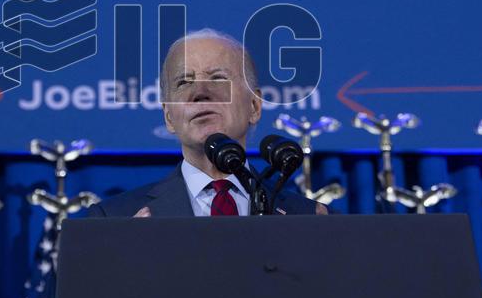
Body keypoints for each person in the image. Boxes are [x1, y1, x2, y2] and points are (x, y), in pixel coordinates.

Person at [88, 29, 327, 217]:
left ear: (254, 107)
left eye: (218, 78)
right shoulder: (114, 219)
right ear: (169, 117)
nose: (200, 93)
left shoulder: (305, 217)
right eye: (184, 82)